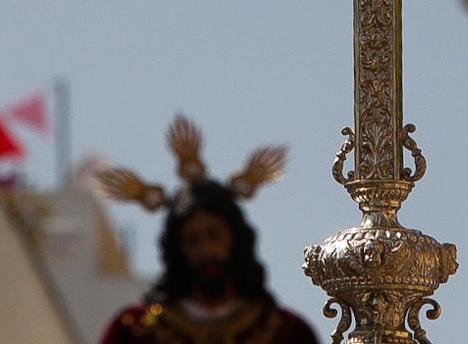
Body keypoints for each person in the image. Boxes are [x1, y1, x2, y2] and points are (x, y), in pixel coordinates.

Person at [97, 117, 318, 344]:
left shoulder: (286, 331)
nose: (206, 250)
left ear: (235, 238)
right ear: (177, 249)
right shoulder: (134, 330)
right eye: (193, 240)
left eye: (215, 235)